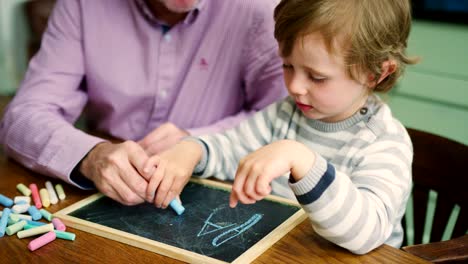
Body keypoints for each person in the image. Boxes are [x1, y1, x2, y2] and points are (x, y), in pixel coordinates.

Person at [142, 0, 419, 254]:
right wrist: (193, 149)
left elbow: (366, 234)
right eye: (288, 66)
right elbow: (232, 147)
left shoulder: (385, 141)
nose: (295, 87)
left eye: (317, 77)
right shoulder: (285, 113)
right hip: (285, 254)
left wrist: (302, 160)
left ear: (376, 73)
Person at [0, 0, 286, 206]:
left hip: (223, 192)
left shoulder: (263, 11)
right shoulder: (82, 6)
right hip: (105, 196)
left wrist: (197, 143)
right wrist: (92, 156)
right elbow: (23, 116)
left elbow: (286, 122)